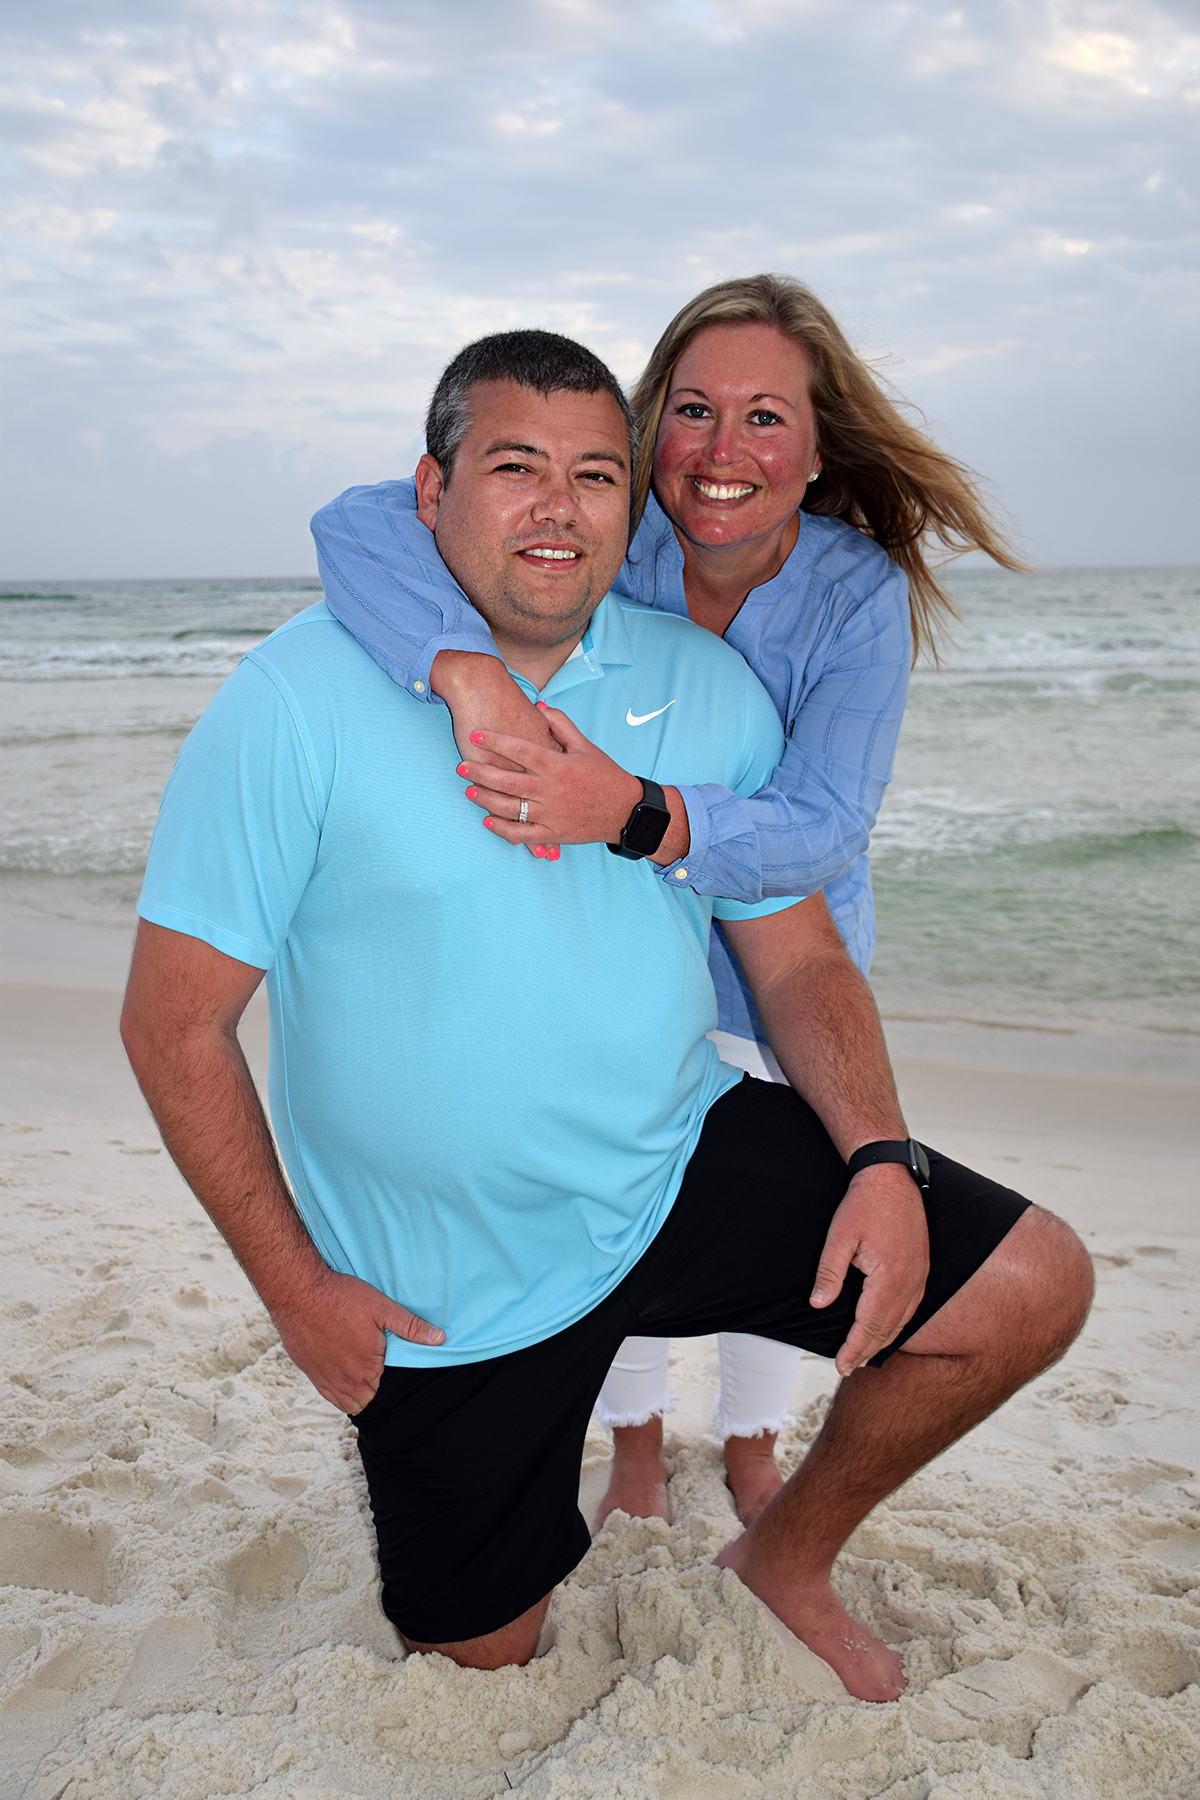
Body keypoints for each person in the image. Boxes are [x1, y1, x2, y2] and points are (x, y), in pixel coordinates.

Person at [122, 330, 1092, 1703]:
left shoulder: (708, 688)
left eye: (592, 475)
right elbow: (174, 1028)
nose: (558, 507)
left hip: (671, 1161)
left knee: (1031, 1288)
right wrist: (297, 1292)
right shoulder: (295, 698)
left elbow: (799, 960)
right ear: (430, 491)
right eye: (514, 467)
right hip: (444, 1287)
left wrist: (881, 1157)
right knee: (479, 1664)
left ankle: (782, 1556)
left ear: (629, 508)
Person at [308, 275, 1026, 1527]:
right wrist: (464, 669)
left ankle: (748, 1442)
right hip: (618, 942)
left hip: (779, 959)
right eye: (693, 410)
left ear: (817, 448)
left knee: (793, 1203)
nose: (721, 449)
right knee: (626, 1192)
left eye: (764, 417)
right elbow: (360, 524)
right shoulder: (612, 526)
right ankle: (636, 1437)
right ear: (650, 429)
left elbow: (824, 825)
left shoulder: (854, 594)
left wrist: (642, 812)